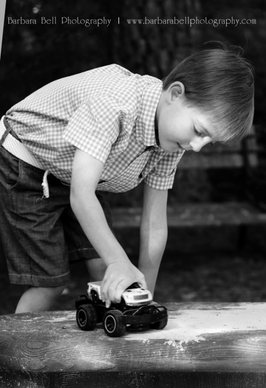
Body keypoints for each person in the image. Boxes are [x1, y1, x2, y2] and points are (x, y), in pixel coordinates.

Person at [0, 42, 254, 313]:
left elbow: (155, 225)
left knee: (104, 267)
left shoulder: (172, 142)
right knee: (50, 283)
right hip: (24, 166)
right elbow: (82, 196)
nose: (197, 146)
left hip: (69, 175)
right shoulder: (116, 103)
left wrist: (144, 298)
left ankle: (106, 344)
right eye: (199, 130)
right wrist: (120, 263)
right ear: (176, 94)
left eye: (209, 142)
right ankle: (14, 352)